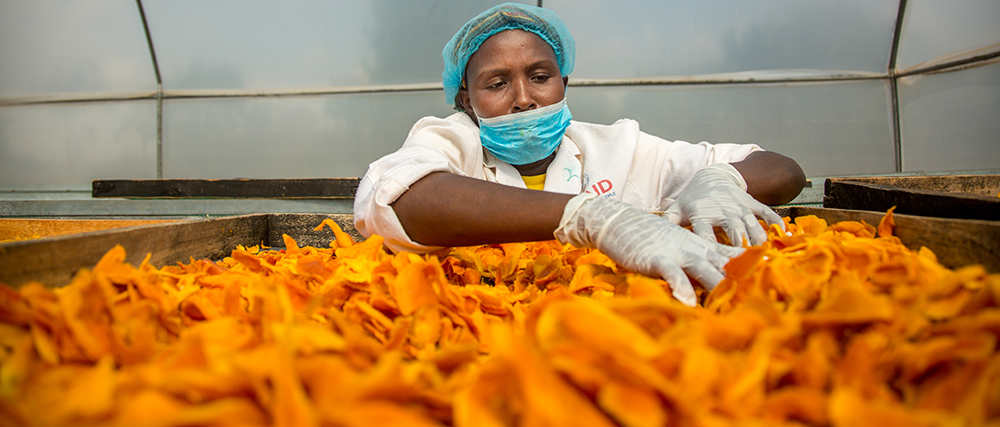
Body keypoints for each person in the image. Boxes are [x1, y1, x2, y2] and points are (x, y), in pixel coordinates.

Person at [354, 3, 805, 306]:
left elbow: (783, 169)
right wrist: (592, 217)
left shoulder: (618, 148)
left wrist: (721, 181)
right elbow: (396, 197)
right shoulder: (448, 142)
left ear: (564, 84)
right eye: (496, 84)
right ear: (466, 101)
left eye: (540, 76)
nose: (524, 98)